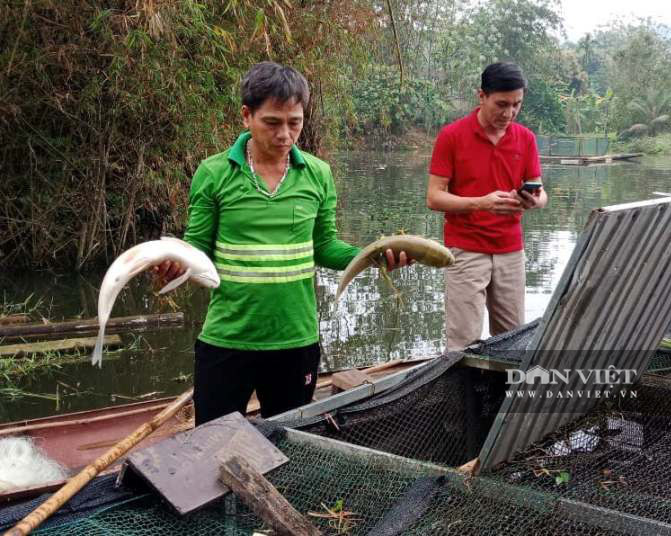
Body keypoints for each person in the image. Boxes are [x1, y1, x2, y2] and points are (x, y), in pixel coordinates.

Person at [153, 62, 410, 425]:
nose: (285, 135)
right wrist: (174, 265)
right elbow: (197, 252)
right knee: (211, 445)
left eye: (295, 122)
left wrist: (372, 256)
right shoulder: (213, 173)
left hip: (295, 340)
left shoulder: (318, 174)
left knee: (289, 443)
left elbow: (325, 246)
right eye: (272, 122)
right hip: (228, 339)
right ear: (247, 116)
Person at [426, 62, 548, 352]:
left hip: (510, 251)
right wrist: (481, 203)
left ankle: (501, 397)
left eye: (517, 104)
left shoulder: (525, 138)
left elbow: (541, 193)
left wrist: (533, 200)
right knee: (463, 341)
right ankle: (461, 396)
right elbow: (434, 197)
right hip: (465, 250)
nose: (509, 113)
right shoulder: (452, 136)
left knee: (513, 339)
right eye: (501, 104)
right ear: (481, 96)